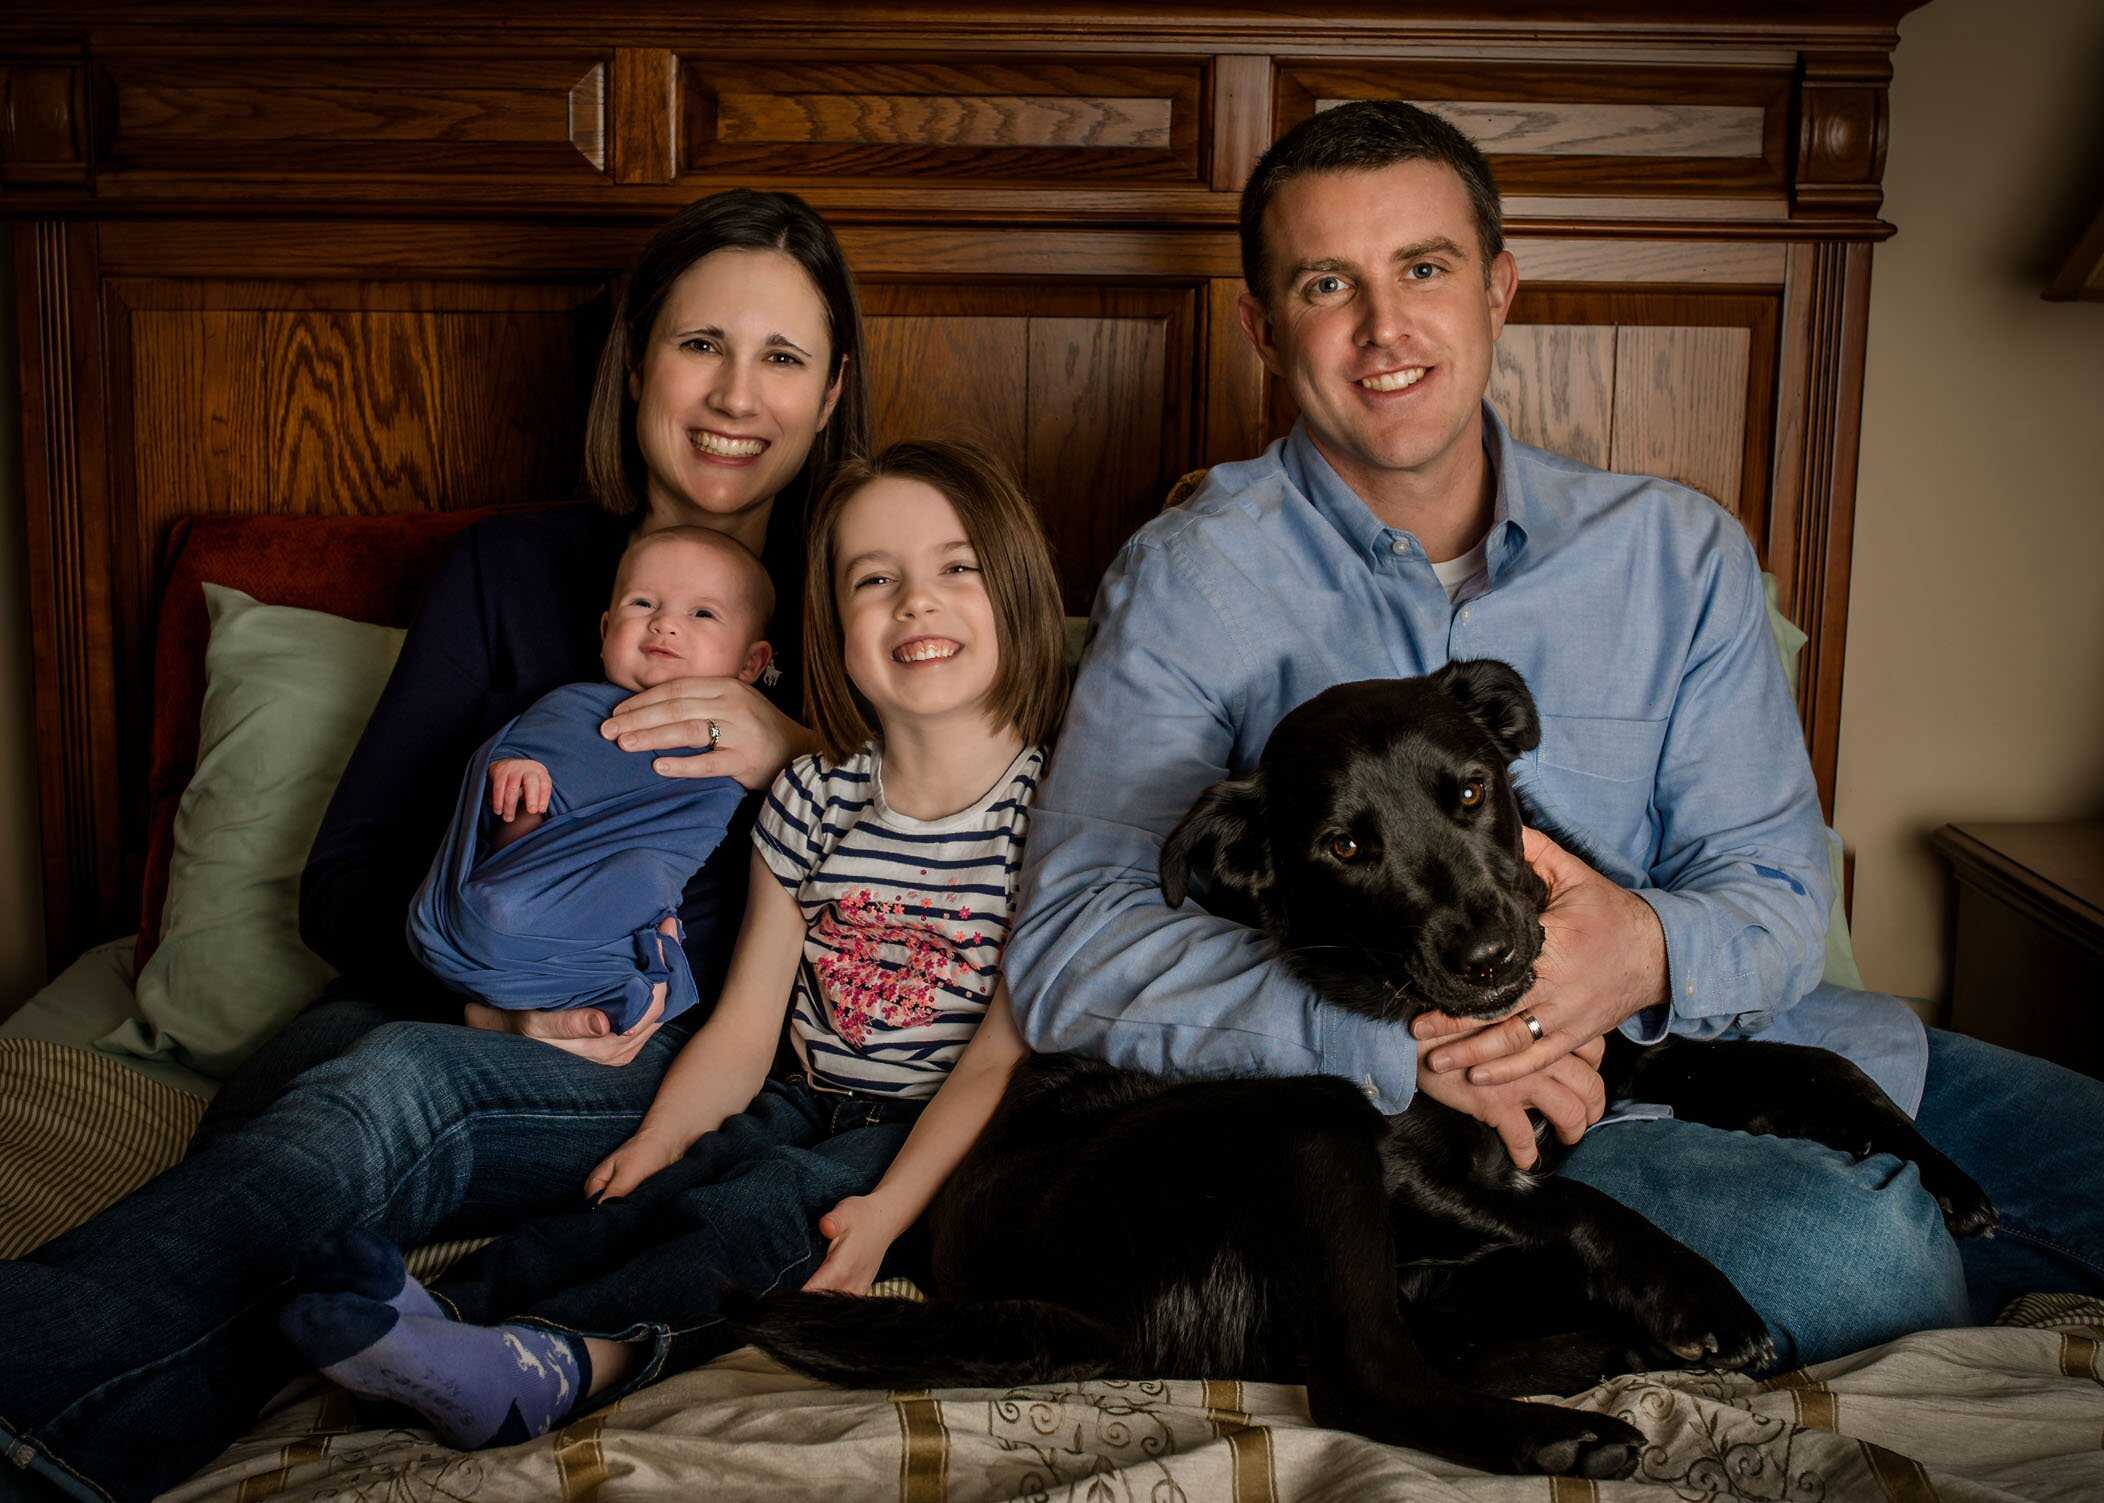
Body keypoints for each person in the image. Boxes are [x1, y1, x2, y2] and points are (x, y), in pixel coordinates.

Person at [1004, 100, 2104, 1372]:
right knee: (1859, 1264)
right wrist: (1394, 1039)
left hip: (1758, 1043)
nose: (1383, 329)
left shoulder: (1675, 553)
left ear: (1498, 289)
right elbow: (1071, 945)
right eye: (1326, 284)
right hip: (1521, 1122)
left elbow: (1783, 894)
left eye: (1423, 267)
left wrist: (1636, 947)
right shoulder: (1193, 581)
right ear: (1262, 327)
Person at [0, 187, 868, 1503]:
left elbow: (949, 861)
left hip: (681, 1050)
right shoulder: (511, 569)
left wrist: (791, 741)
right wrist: (490, 1005)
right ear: (636, 356)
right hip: (440, 993)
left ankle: (30, 1406)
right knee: (287, 1107)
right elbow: (344, 884)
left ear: (832, 388)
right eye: (702, 343)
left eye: (783, 356)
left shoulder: (868, 583)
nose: (736, 394)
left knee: (388, 1089)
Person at [275, 439, 1065, 1449]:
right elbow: (745, 1028)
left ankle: (569, 1363)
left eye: (955, 567)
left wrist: (887, 1208)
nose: (915, 603)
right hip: (802, 1095)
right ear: (829, 624)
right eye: (875, 579)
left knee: (760, 1211)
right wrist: (659, 1139)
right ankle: (430, 1324)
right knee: (644, 1194)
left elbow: (1001, 1056)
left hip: (940, 1136)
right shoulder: (812, 797)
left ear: (1019, 589)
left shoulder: (1048, 817)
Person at [409, 525, 777, 1032]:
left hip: (615, 931)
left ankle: (594, 1000)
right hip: (520, 899)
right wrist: (517, 777)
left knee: (642, 877)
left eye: (702, 613)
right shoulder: (570, 708)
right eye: (644, 604)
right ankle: (520, 1002)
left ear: (752, 663)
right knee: (500, 913)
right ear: (606, 631)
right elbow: (517, 826)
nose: (665, 626)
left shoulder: (747, 745)